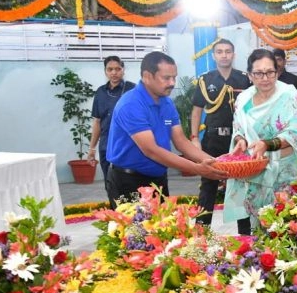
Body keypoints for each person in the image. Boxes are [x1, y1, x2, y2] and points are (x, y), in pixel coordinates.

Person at [106, 51, 227, 207]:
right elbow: (151, 150)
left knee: (164, 229)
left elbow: (181, 141)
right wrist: (198, 169)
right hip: (128, 181)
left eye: (174, 77)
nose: (172, 83)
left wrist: (216, 165)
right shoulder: (131, 104)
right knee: (137, 231)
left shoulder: (166, 103)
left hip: (158, 179)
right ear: (147, 76)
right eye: (166, 78)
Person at [222, 49, 297, 235]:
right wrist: (240, 140)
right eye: (258, 73)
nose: (265, 78)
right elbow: (238, 129)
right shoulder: (243, 99)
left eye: (270, 72)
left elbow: (292, 133)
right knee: (256, 229)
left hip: (283, 172)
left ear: (277, 72)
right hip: (253, 172)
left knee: (285, 228)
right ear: (250, 75)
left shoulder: (288, 94)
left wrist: (266, 144)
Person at [190, 39, 252, 225]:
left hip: (238, 139)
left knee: (242, 185)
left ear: (234, 55)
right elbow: (196, 110)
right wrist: (194, 137)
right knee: (208, 185)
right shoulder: (205, 80)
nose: (224, 55)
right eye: (220, 52)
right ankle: (201, 232)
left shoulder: (244, 79)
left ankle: (245, 234)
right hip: (213, 138)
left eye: (227, 51)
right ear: (213, 55)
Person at [88, 55, 136, 191]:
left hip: (127, 146)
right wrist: (92, 149)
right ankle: (113, 210)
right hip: (105, 145)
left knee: (129, 184)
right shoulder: (100, 92)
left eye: (117, 69)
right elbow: (97, 122)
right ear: (105, 72)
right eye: (110, 69)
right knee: (110, 184)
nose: (114, 73)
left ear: (123, 70)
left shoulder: (132, 90)